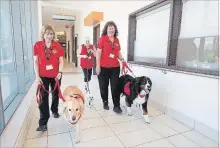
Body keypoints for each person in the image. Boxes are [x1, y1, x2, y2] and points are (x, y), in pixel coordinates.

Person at [33, 24, 64, 131]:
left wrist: (60, 72)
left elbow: (61, 60)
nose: (49, 36)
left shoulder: (57, 46)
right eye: (47, 34)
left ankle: (54, 111)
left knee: (56, 95)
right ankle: (43, 122)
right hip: (43, 76)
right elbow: (36, 62)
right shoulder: (37, 45)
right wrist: (37, 76)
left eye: (51, 34)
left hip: (56, 75)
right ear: (43, 34)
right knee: (43, 98)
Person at [96, 21, 125, 114]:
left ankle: (116, 106)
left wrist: (122, 59)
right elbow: (98, 53)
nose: (111, 29)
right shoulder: (102, 39)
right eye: (109, 28)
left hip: (115, 68)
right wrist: (97, 66)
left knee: (115, 87)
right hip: (103, 67)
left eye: (113, 28)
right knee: (104, 86)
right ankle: (105, 102)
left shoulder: (116, 40)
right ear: (106, 29)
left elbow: (118, 52)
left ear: (115, 29)